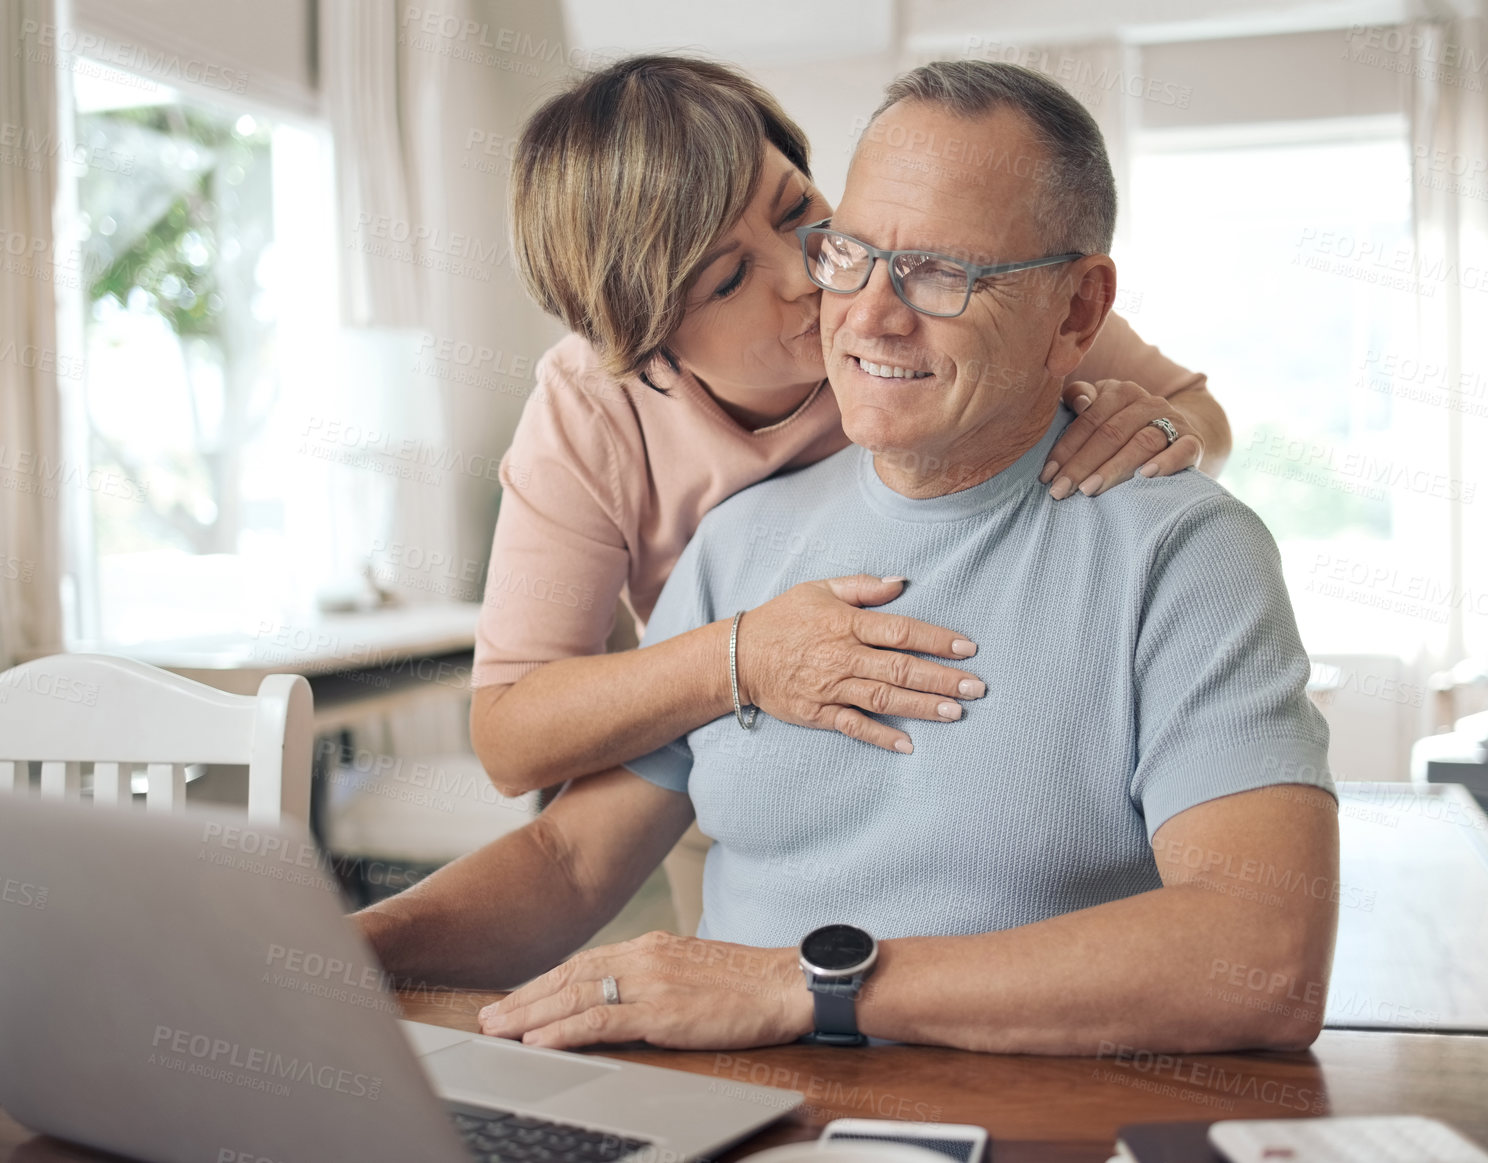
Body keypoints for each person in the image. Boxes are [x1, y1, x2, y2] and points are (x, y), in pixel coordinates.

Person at [358, 59, 1337, 1058]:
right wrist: (335, 945)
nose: (856, 308)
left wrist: (805, 983)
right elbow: (567, 853)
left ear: (1074, 317)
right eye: (853, 256)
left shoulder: (1183, 551)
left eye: (938, 272)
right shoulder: (719, 532)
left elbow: (1258, 956)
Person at [470, 56, 1234, 932]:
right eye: (727, 280)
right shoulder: (589, 411)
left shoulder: (924, 299)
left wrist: (1160, 434)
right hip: (745, 766)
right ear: (643, 342)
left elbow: (1192, 409)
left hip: (985, 749)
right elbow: (510, 734)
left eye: (798, 211)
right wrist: (742, 657)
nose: (809, 277)